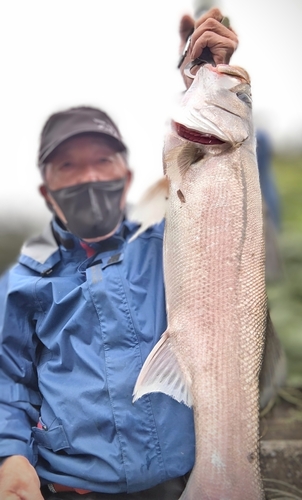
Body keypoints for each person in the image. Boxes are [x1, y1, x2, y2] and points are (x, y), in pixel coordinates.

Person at [0, 8, 238, 500]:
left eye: (103, 161)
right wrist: (12, 455)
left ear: (129, 177)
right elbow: (8, 379)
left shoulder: (170, 245)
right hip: (67, 489)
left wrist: (205, 80)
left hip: (178, 485)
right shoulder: (22, 281)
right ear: (47, 192)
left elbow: (226, 197)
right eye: (68, 166)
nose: (89, 177)